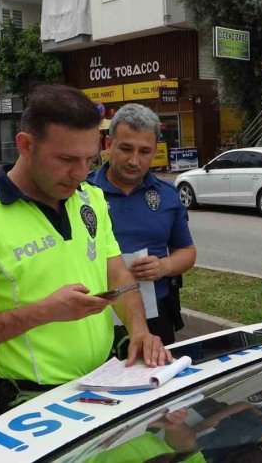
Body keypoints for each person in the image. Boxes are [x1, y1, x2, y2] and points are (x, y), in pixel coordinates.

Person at [0, 85, 170, 418]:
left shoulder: (89, 197)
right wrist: (43, 312)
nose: (80, 173)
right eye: (66, 159)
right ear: (25, 145)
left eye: (90, 159)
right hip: (34, 402)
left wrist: (140, 330)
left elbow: (116, 271)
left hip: (106, 381)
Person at [88, 103, 196, 345]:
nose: (134, 160)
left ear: (155, 150)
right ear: (108, 144)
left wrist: (164, 266)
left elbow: (187, 251)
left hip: (155, 313)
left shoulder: (167, 196)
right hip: (95, 315)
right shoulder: (82, 193)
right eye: (126, 148)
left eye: (145, 151)